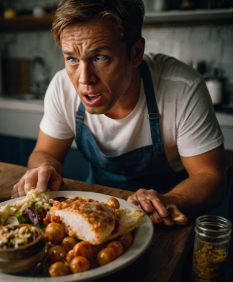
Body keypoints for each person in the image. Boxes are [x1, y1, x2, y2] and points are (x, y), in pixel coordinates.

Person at [12, 0, 227, 226]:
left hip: (165, 218)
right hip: (97, 209)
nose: (84, 79)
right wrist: (42, 170)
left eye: (99, 58)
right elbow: (46, 152)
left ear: (135, 53)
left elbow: (211, 178)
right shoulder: (61, 87)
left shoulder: (181, 88)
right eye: (72, 59)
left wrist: (169, 200)